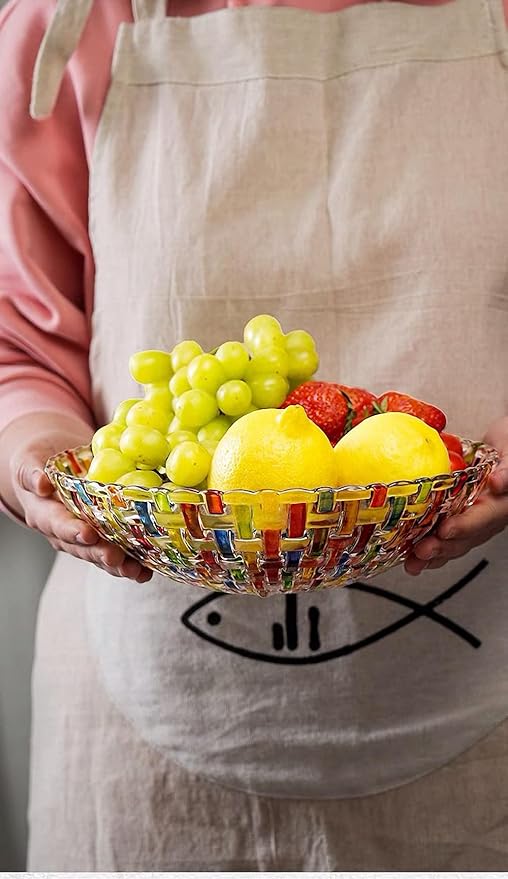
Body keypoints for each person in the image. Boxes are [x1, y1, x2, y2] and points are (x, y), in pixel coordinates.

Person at [1, 0, 508, 870]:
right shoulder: (68, 22)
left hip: (481, 735)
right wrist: (36, 456)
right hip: (140, 761)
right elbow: (17, 339)